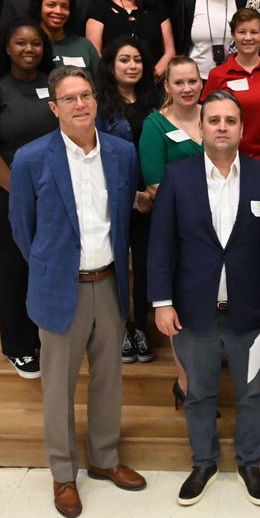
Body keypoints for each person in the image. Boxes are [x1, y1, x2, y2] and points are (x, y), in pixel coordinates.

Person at [9, 65, 149, 518]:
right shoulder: (31, 158)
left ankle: (105, 458)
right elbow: (22, 229)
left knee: (109, 379)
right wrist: (50, 269)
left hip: (108, 282)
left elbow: (124, 219)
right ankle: (64, 473)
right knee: (58, 388)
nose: (80, 104)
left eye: (85, 95)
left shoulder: (122, 153)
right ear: (54, 108)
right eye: (68, 98)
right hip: (59, 287)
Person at [149, 89, 260, 507]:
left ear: (242, 128)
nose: (222, 128)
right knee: (198, 392)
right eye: (213, 120)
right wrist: (161, 302)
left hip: (250, 309)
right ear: (201, 127)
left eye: (230, 121)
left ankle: (250, 464)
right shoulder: (178, 177)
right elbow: (160, 245)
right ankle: (204, 463)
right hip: (192, 309)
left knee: (251, 393)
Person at [0, 21, 58, 378]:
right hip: (8, 194)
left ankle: (43, 337)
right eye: (20, 43)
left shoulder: (53, 85)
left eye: (36, 43)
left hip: (53, 194)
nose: (28, 49)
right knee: (14, 270)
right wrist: (23, 195)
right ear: (6, 48)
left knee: (48, 269)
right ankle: (18, 347)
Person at [139, 55, 205, 405]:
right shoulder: (155, 126)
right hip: (177, 233)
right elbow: (155, 188)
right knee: (179, 309)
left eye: (192, 81)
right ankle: (185, 384)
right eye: (178, 82)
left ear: (201, 82)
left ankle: (203, 377)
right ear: (166, 86)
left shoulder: (214, 116)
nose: (186, 88)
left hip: (219, 233)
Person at [94, 38, 160, 364]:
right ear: (111, 65)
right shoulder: (99, 105)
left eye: (137, 60)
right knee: (115, 265)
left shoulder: (155, 101)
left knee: (147, 265)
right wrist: (129, 194)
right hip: (114, 200)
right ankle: (119, 329)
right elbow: (94, 157)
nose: (132, 65)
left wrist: (150, 192)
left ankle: (142, 327)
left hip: (153, 201)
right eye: (124, 60)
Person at [202, 8, 260, 164]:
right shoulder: (217, 75)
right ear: (233, 35)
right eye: (242, 32)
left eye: (254, 32)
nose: (248, 38)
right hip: (227, 161)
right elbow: (207, 121)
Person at [85, 0, 173, 80]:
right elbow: (94, 54)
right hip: (112, 86)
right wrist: (117, 79)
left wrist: (152, 78)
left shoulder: (157, 8)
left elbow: (170, 52)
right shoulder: (100, 8)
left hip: (153, 87)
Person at [168, 0, 248, 80]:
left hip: (234, 78)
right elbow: (179, 44)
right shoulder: (187, 4)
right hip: (195, 79)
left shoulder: (242, 3)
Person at [31, 0, 99, 71]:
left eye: (64, 6)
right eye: (51, 5)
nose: (58, 11)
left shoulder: (84, 46)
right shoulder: (30, 46)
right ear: (39, 7)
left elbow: (101, 82)